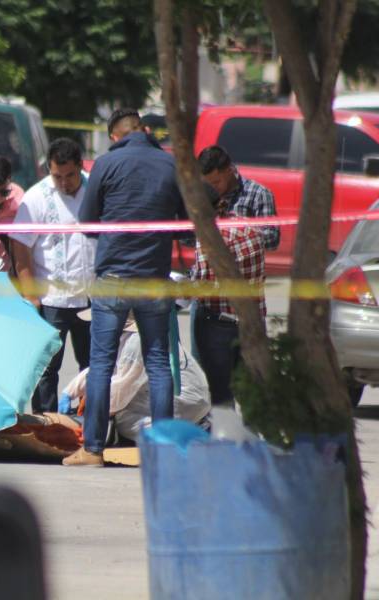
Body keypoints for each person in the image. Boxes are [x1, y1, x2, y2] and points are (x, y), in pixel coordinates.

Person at [63, 108, 186, 467]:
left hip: (113, 277)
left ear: (115, 137)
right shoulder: (169, 165)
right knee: (158, 363)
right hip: (153, 277)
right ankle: (162, 451)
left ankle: (94, 449)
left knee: (101, 363)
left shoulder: (105, 164)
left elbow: (87, 224)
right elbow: (185, 226)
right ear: (144, 131)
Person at [10, 138, 95, 413]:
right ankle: (46, 423)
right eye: (57, 176)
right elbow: (20, 245)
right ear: (49, 169)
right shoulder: (36, 197)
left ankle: (91, 423)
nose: (63, 182)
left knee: (93, 365)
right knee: (46, 368)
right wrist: (30, 293)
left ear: (80, 167)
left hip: (90, 297)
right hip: (51, 299)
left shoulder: (96, 190)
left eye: (69, 175)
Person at [61, 313, 211, 442]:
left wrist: (93, 415)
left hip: (188, 400)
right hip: (187, 396)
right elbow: (104, 369)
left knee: (122, 419)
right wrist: (70, 391)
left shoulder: (136, 341)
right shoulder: (127, 336)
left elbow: (120, 390)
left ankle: (186, 433)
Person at [190, 181, 266, 406]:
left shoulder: (210, 236)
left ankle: (228, 439)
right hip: (252, 321)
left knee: (221, 397)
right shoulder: (249, 226)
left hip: (218, 324)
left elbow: (205, 284)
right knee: (251, 395)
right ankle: (252, 439)